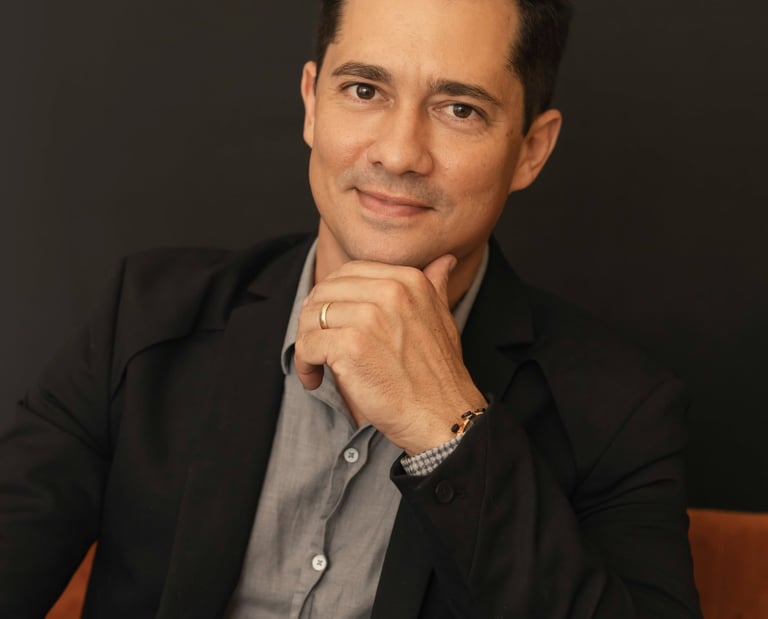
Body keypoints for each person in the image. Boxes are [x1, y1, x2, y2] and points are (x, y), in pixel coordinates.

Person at [0, 0, 702, 617]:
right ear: (312, 103)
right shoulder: (145, 318)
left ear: (530, 150)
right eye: (364, 90)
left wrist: (448, 431)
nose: (398, 153)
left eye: (459, 109)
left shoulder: (620, 412)